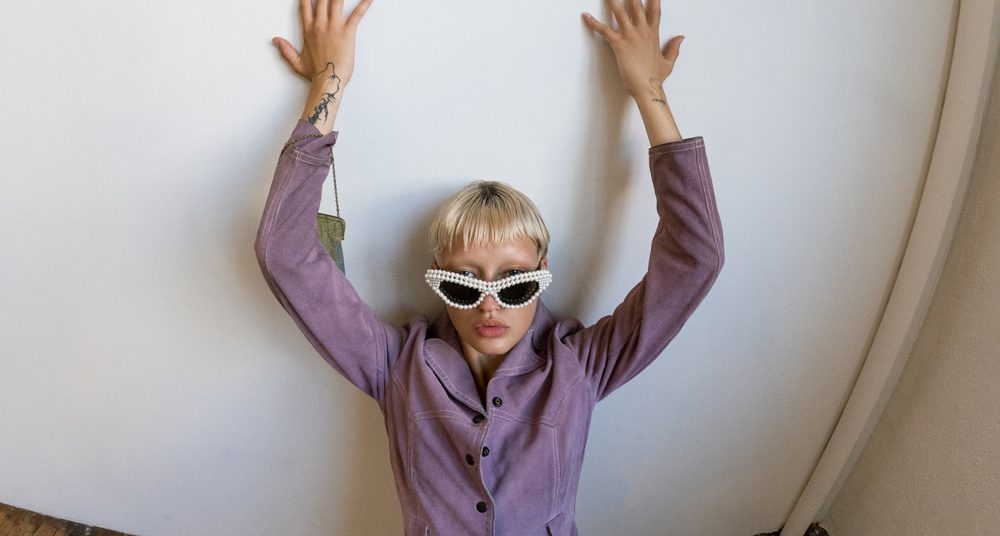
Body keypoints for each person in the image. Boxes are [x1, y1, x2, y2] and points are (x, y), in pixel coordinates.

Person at [255, 0, 724, 534]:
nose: (489, 304)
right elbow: (285, 254)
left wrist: (649, 93)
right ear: (438, 275)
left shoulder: (580, 367)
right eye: (463, 283)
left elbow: (695, 258)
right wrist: (330, 83)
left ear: (542, 271)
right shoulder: (396, 366)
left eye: (515, 283)